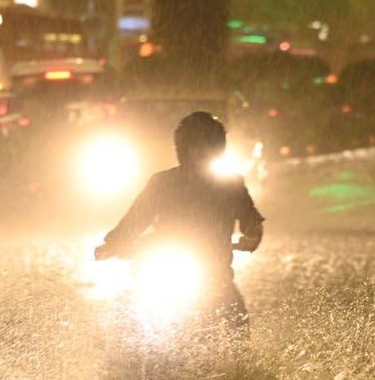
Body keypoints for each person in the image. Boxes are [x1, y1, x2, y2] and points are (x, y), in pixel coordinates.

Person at [94, 111, 264, 331]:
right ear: (183, 150)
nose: (200, 153)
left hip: (214, 273)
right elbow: (135, 219)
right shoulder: (161, 183)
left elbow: (251, 219)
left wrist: (252, 236)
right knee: (129, 315)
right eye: (194, 147)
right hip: (162, 268)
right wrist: (115, 242)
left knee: (236, 325)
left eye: (206, 147)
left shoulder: (231, 185)